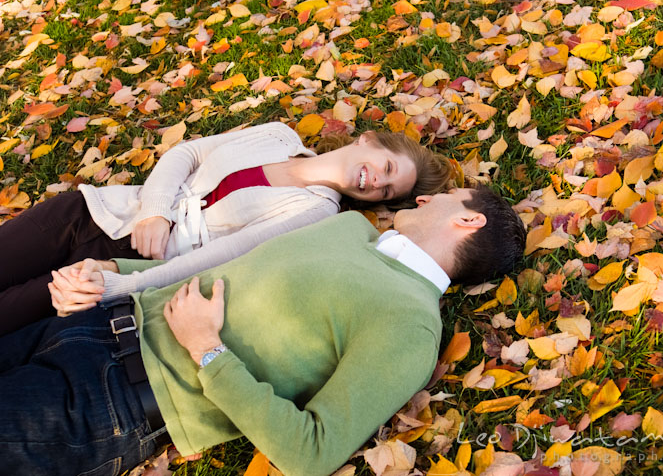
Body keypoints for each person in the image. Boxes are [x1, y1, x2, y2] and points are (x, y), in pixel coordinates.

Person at [0, 186, 526, 476]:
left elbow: (311, 453)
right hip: (86, 323)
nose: (425, 199)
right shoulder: (349, 227)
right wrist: (113, 274)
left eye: (446, 197)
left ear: (470, 221)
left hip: (115, 402)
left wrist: (209, 351)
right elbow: (214, 266)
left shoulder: (410, 324)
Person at [0, 122, 452, 335]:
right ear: (367, 140)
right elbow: (187, 154)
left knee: (13, 312)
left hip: (127, 264)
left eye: (388, 191)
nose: (378, 183)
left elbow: (218, 257)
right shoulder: (279, 135)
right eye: (386, 167)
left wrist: (121, 284)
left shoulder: (317, 212)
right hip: (95, 211)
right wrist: (154, 211)